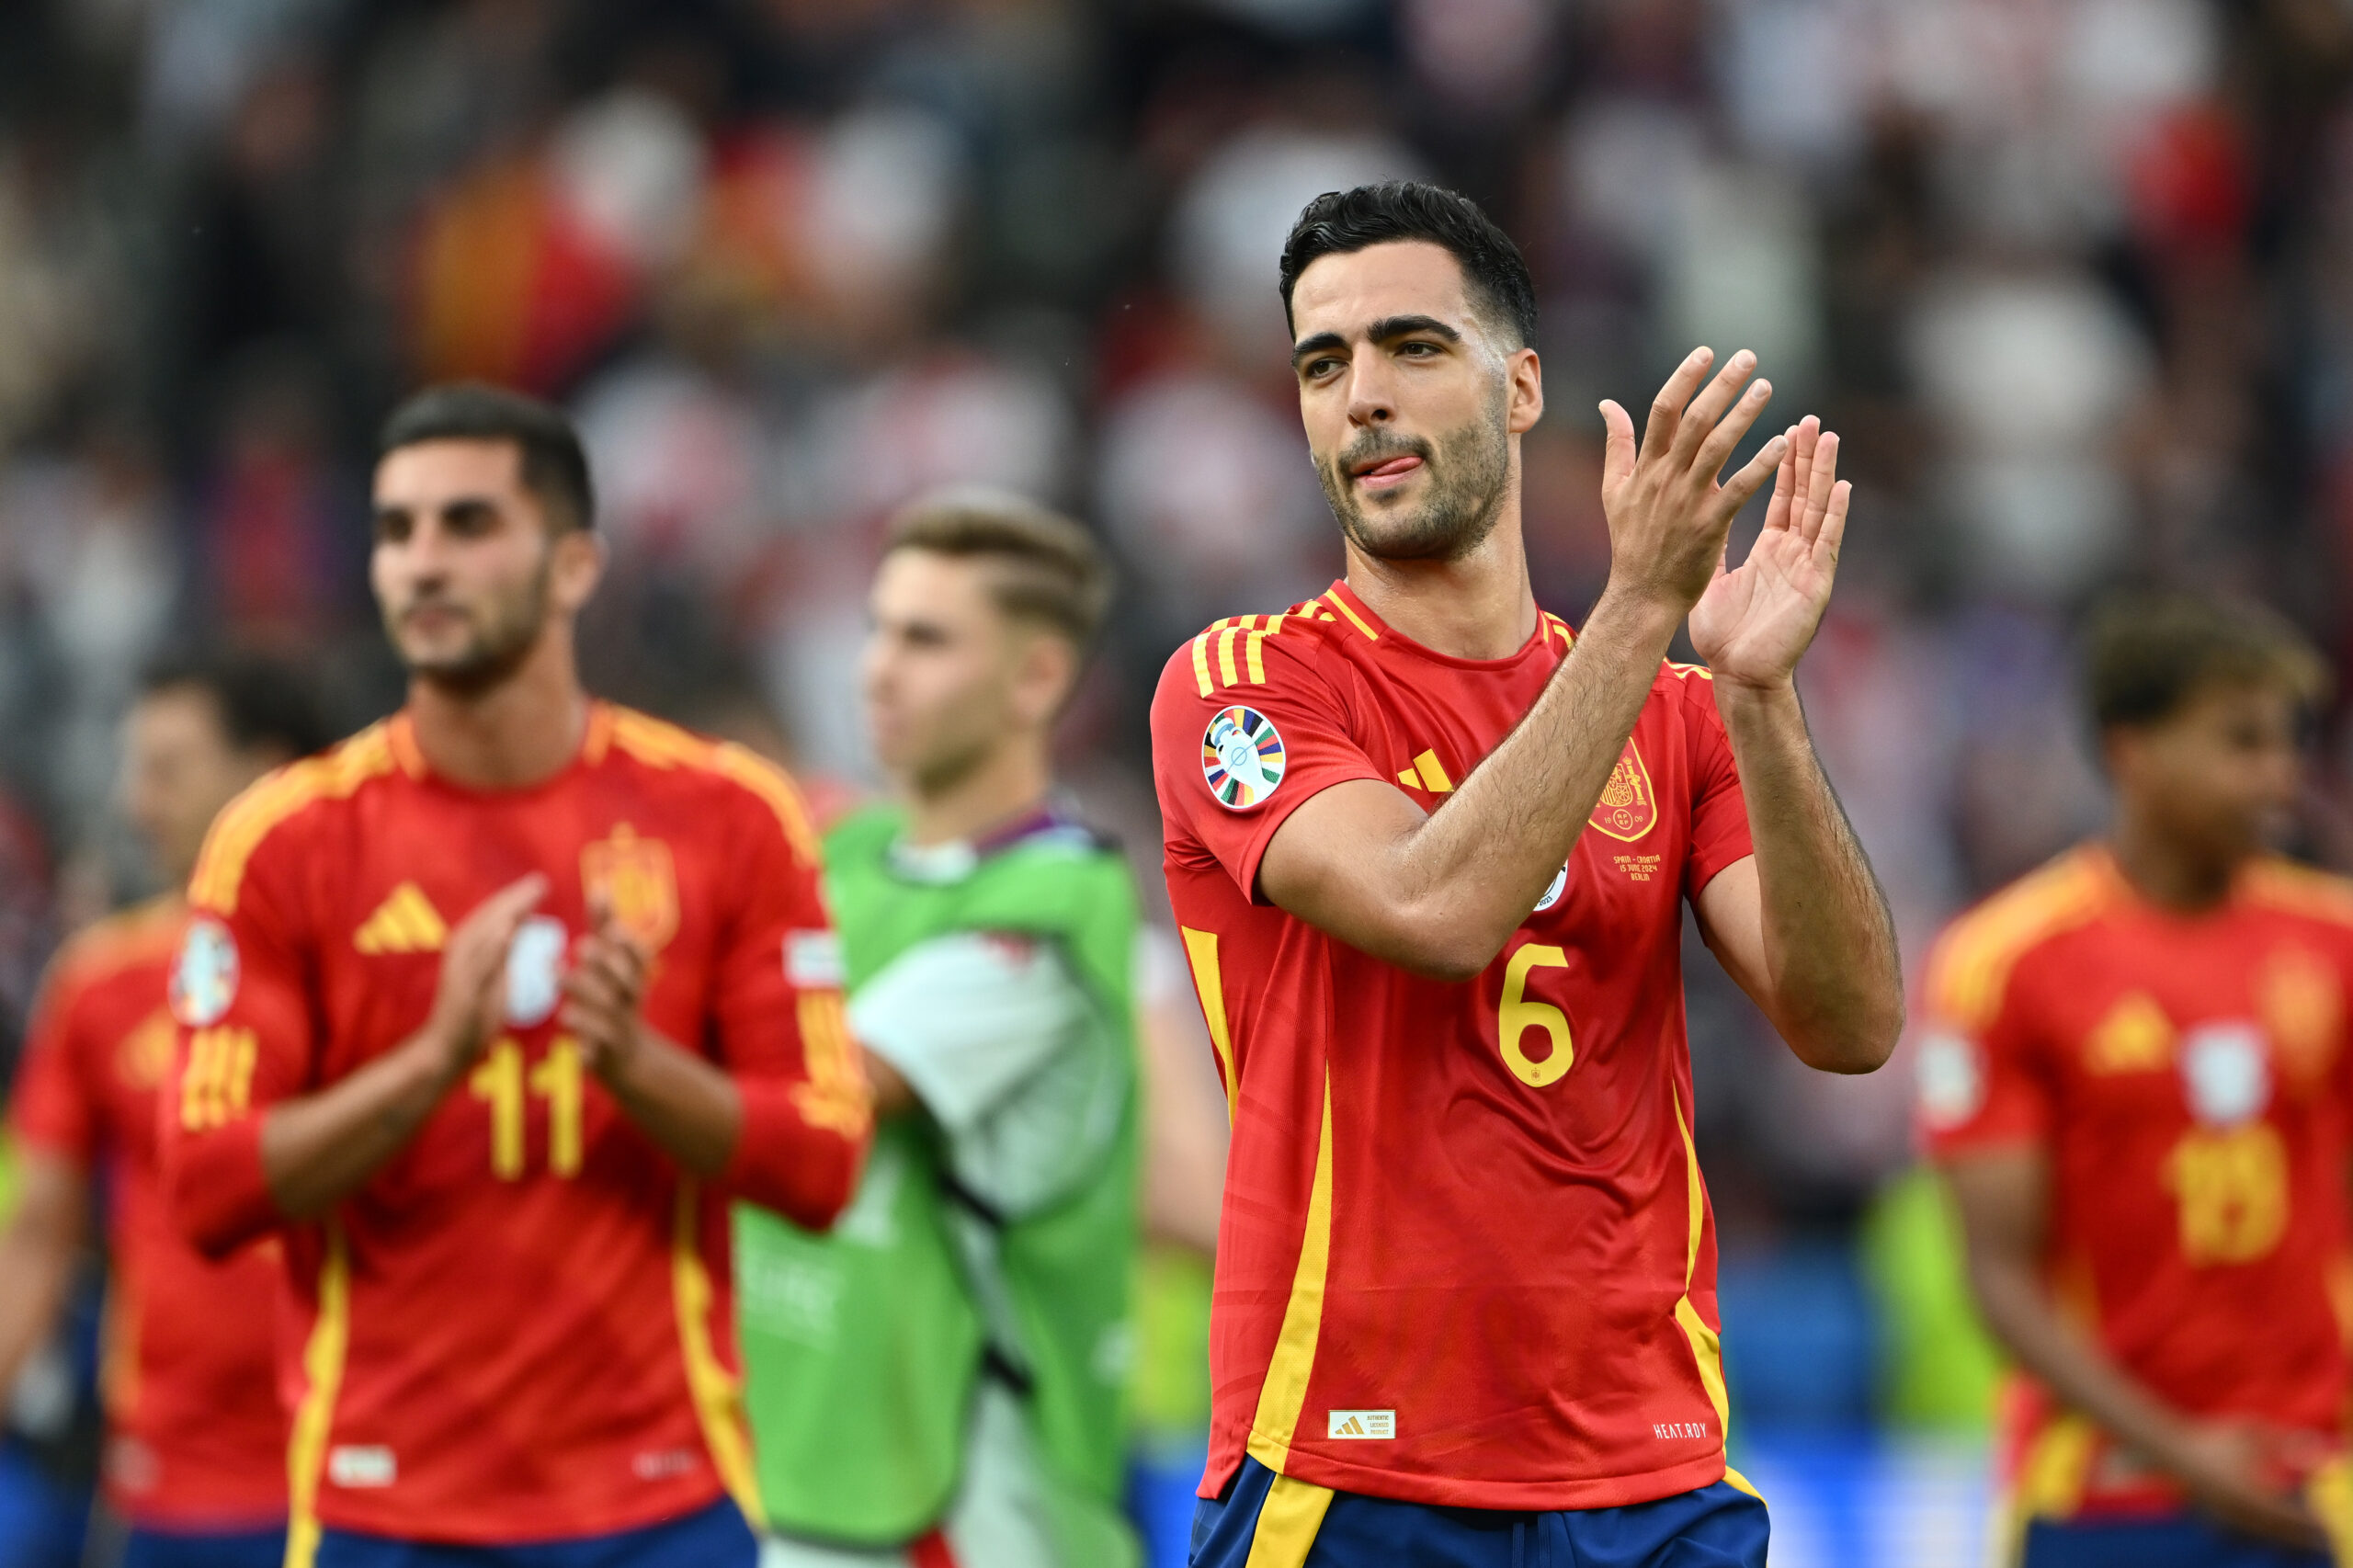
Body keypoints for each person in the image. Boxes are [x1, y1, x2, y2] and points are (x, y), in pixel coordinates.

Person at [1150, 180, 1903, 1567]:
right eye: (1325, 366)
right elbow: (1434, 908)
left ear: (1521, 386)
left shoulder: (1676, 715)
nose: (1362, 396)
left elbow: (1850, 1025)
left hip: (1655, 1468)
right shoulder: (1243, 685)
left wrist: (1755, 695)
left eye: (1412, 346)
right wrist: (1641, 608)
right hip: (1359, 1471)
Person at [158, 383, 872, 1568]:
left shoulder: (730, 818)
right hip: (385, 1508)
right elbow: (209, 1186)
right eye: (396, 531)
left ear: (575, 564)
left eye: (468, 524)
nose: (421, 564)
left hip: (663, 1503)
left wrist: (637, 1065)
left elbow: (823, 1162)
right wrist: (431, 1060)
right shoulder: (283, 841)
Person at [736, 491, 1142, 1568]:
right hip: (791, 1458)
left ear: (1036, 678)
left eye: (925, 638)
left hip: (961, 1496)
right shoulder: (844, 854)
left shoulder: (1060, 897)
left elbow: (830, 1078)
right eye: (876, 627)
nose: (876, 667)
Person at [1922, 594, 2353, 1567]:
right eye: (2240, 743)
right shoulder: (2006, 962)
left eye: (2287, 745)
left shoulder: (2334, 941)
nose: (2277, 777)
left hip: (2313, 1482)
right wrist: (2189, 1455)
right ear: (2131, 750)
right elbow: (1999, 1274)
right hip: (2104, 1493)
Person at [0, 652, 327, 1568]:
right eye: (131, 769)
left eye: (166, 769)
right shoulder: (96, 986)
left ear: (266, 769)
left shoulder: (385, 966)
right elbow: (35, 1238)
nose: (135, 801)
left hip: (354, 1478)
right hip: (167, 1493)